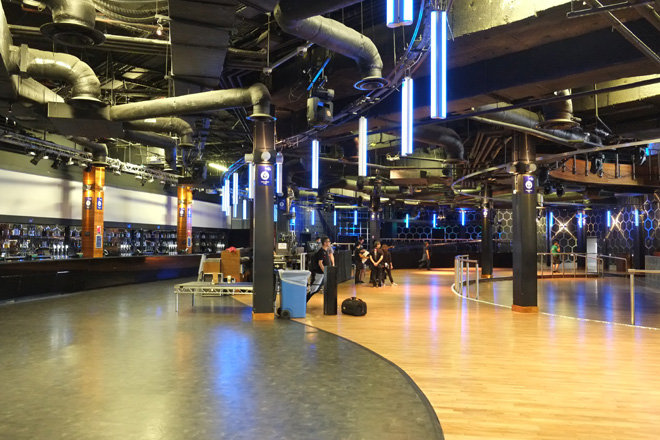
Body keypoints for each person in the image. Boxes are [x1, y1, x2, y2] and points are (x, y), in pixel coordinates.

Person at [307, 236, 330, 302]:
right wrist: (325, 271)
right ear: (325, 243)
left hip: (322, 273)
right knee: (314, 289)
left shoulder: (326, 251)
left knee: (317, 289)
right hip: (319, 273)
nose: (329, 243)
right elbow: (320, 263)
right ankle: (304, 301)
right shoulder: (321, 252)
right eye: (328, 241)